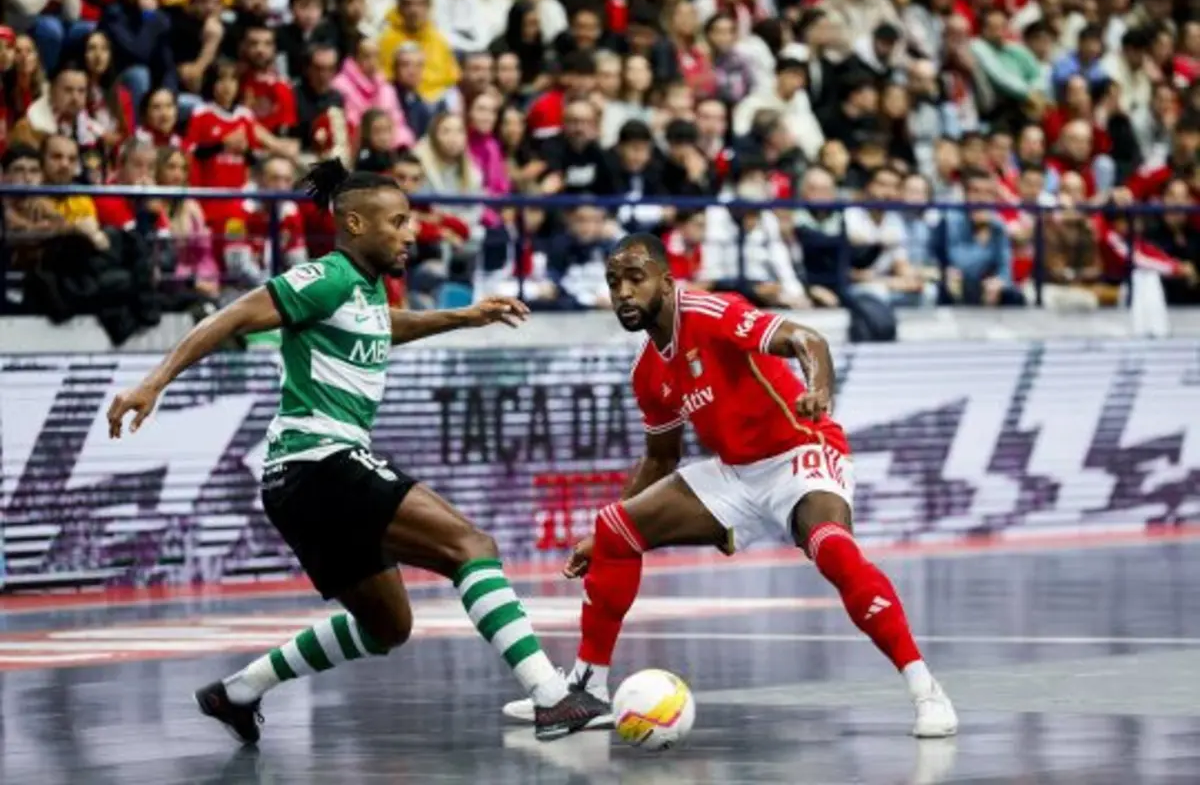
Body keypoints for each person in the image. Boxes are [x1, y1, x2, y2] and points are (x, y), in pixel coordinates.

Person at [105, 159, 607, 745]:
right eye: (397, 222)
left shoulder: (361, 289)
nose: (410, 233)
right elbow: (235, 315)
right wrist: (154, 383)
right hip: (320, 463)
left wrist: (464, 317)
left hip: (296, 485)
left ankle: (237, 692)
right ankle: (551, 698)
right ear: (354, 224)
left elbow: (383, 324)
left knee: (386, 625)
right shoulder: (327, 277)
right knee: (471, 547)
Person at [499, 233, 958, 739]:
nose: (623, 292)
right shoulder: (648, 371)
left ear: (667, 283)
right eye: (613, 283)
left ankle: (926, 691)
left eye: (635, 278)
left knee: (833, 550)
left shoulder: (711, 312)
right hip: (736, 474)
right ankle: (588, 691)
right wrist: (602, 543)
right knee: (614, 526)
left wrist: (818, 389)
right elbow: (661, 457)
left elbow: (808, 340)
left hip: (799, 453)